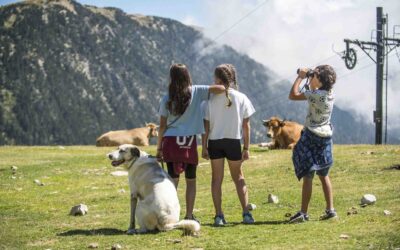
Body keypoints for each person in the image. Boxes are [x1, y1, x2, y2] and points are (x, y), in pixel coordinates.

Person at [156, 63, 225, 222]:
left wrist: (159, 148)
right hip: (189, 142)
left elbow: (162, 126)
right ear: (188, 76)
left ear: (172, 78)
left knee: (172, 182)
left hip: (171, 142)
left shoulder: (167, 98)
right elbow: (220, 89)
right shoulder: (197, 90)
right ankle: (188, 215)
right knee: (191, 181)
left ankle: (170, 216)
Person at [202, 64, 256, 226]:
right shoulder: (242, 98)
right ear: (232, 79)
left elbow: (206, 126)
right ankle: (246, 213)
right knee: (238, 178)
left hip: (215, 141)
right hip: (233, 141)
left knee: (216, 180)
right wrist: (246, 148)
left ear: (218, 79)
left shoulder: (209, 99)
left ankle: (219, 216)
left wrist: (203, 146)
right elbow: (246, 126)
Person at [288, 65, 337, 223]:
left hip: (312, 136)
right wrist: (311, 78)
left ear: (321, 81)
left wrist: (301, 77)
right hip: (326, 137)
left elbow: (293, 95)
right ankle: (330, 210)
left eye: (314, 75)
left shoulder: (315, 95)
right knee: (323, 175)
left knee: (308, 175)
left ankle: (303, 213)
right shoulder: (328, 93)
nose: (311, 76)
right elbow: (313, 89)